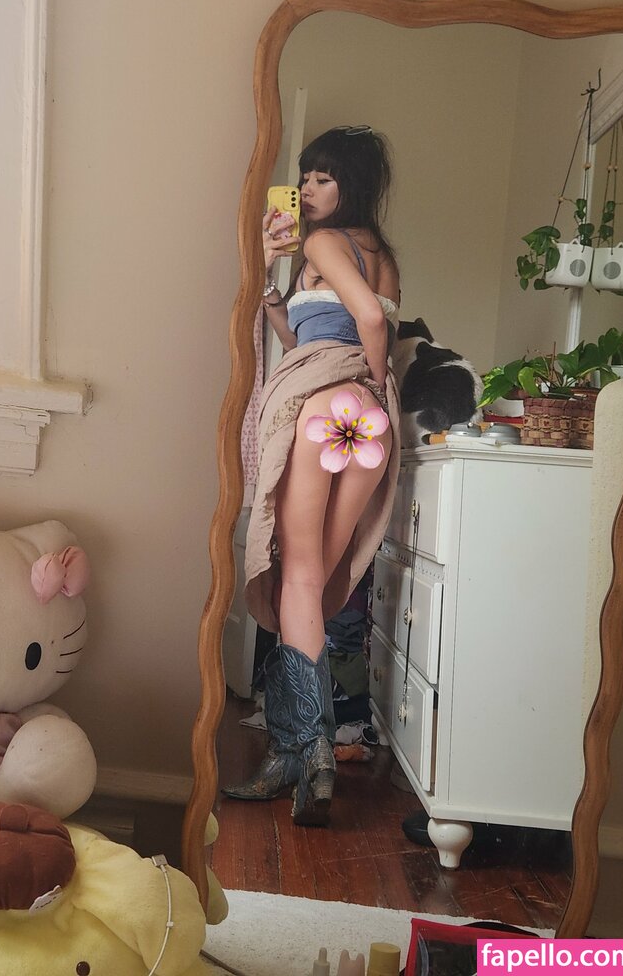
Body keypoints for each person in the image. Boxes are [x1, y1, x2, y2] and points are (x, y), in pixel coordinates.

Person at [223, 125, 401, 827]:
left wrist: (366, 378)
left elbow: (367, 325)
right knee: (315, 588)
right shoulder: (382, 256)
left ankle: (311, 750)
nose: (306, 188)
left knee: (295, 577)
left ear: (350, 184)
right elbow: (315, 335)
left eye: (323, 177)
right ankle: (289, 756)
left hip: (328, 407)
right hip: (367, 425)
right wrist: (276, 289)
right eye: (305, 177)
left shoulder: (325, 243)